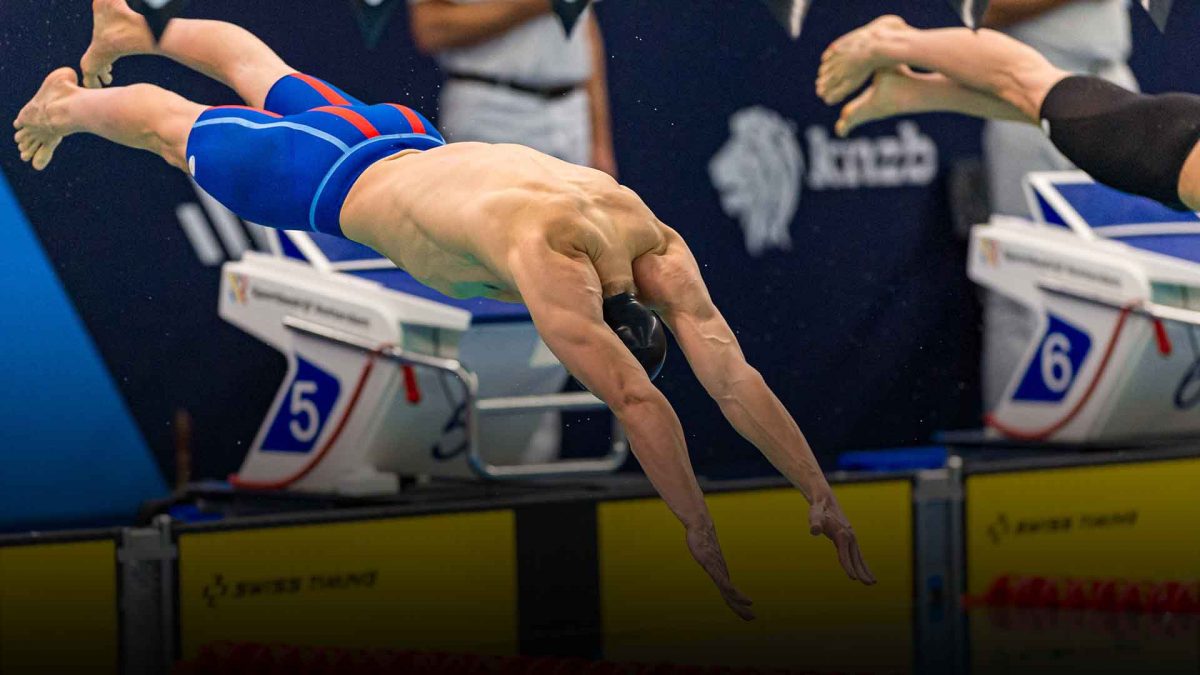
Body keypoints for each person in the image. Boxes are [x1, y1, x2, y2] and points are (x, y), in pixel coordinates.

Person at [15, 1, 875, 619]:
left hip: (405, 135)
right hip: (329, 181)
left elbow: (731, 376)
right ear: (601, 323)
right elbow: (642, 400)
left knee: (266, 72)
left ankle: (137, 27)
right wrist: (700, 533)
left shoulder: (649, 237)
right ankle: (67, 104)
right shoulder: (550, 267)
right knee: (178, 128)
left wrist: (818, 496)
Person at [816, 15, 1200, 212]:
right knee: (1027, 82)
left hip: (1174, 153)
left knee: (1035, 102)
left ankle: (912, 91)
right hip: (1171, 147)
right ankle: (894, 41)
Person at [977, 0, 1137, 412]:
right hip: (1028, 90)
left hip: (1112, 78)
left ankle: (1119, 421)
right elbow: (986, 9)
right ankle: (1020, 438)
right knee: (1020, 278)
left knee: (1131, 272)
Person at [408, 0, 617, 177]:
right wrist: (533, 4)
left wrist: (600, 141)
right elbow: (431, 29)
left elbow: (584, 24)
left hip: (572, 115)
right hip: (492, 114)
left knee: (573, 223)